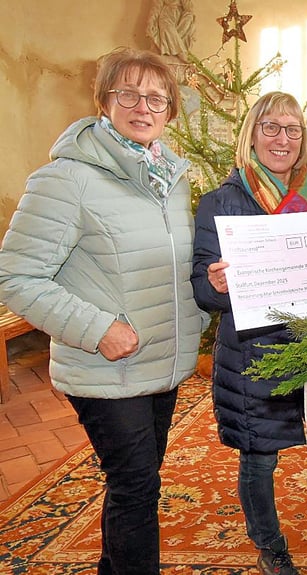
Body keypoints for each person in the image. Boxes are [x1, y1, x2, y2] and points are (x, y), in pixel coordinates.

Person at [0, 47, 204, 575]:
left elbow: (165, 264)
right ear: (103, 100)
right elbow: (15, 277)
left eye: (156, 97)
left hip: (162, 360)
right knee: (136, 486)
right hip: (106, 365)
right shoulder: (65, 179)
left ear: (170, 109)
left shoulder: (168, 177)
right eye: (128, 93)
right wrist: (97, 329)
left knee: (137, 484)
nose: (143, 106)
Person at [191, 91, 307, 575]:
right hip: (254, 352)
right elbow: (202, 293)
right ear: (251, 134)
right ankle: (270, 547)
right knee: (259, 458)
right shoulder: (220, 202)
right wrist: (215, 283)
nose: (282, 138)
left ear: (303, 139)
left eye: (293, 129)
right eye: (271, 126)